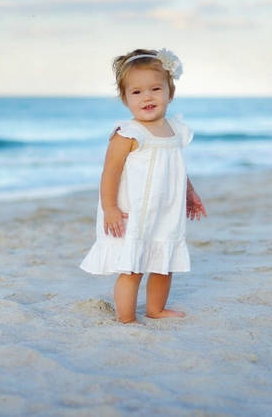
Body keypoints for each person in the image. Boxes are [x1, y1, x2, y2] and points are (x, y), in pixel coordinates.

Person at [79, 48, 207, 324]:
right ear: (125, 99)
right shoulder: (128, 133)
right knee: (133, 267)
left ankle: (156, 309)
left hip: (165, 210)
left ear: (169, 93)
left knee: (164, 264)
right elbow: (110, 173)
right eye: (136, 92)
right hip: (133, 211)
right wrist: (110, 207)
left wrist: (190, 192)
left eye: (155, 89)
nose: (147, 96)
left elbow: (177, 167)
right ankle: (126, 318)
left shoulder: (174, 130)